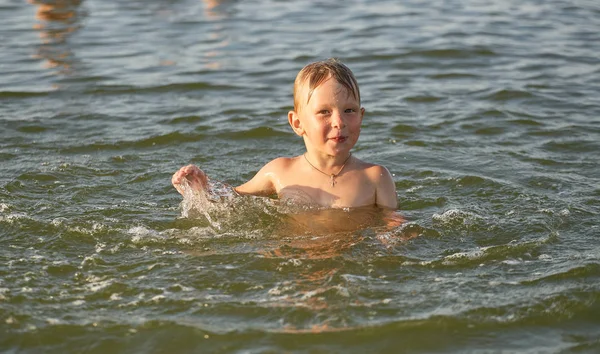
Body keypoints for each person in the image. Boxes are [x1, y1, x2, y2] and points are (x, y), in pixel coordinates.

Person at [172, 58, 398, 210]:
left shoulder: (375, 177)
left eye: (349, 110)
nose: (339, 122)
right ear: (297, 123)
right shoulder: (280, 172)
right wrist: (201, 188)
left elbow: (393, 225)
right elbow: (231, 200)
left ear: (362, 116)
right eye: (324, 112)